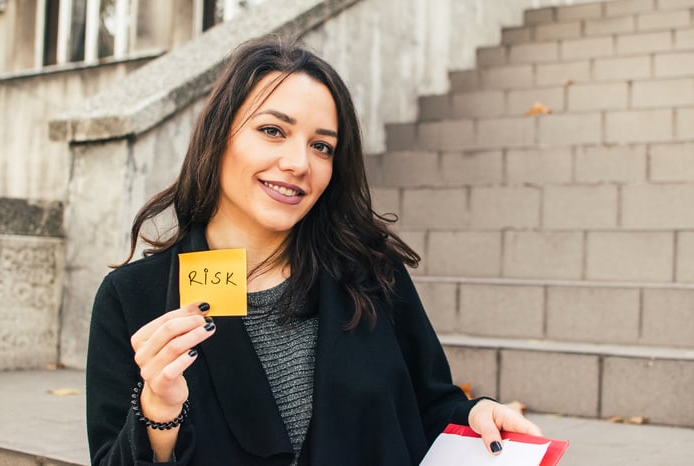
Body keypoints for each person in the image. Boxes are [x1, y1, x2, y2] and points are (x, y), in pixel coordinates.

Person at [86, 34, 541, 466]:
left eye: (322, 146)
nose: (299, 163)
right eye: (272, 131)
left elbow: (430, 405)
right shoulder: (133, 298)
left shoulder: (370, 273)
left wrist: (475, 415)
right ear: (219, 136)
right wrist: (158, 409)